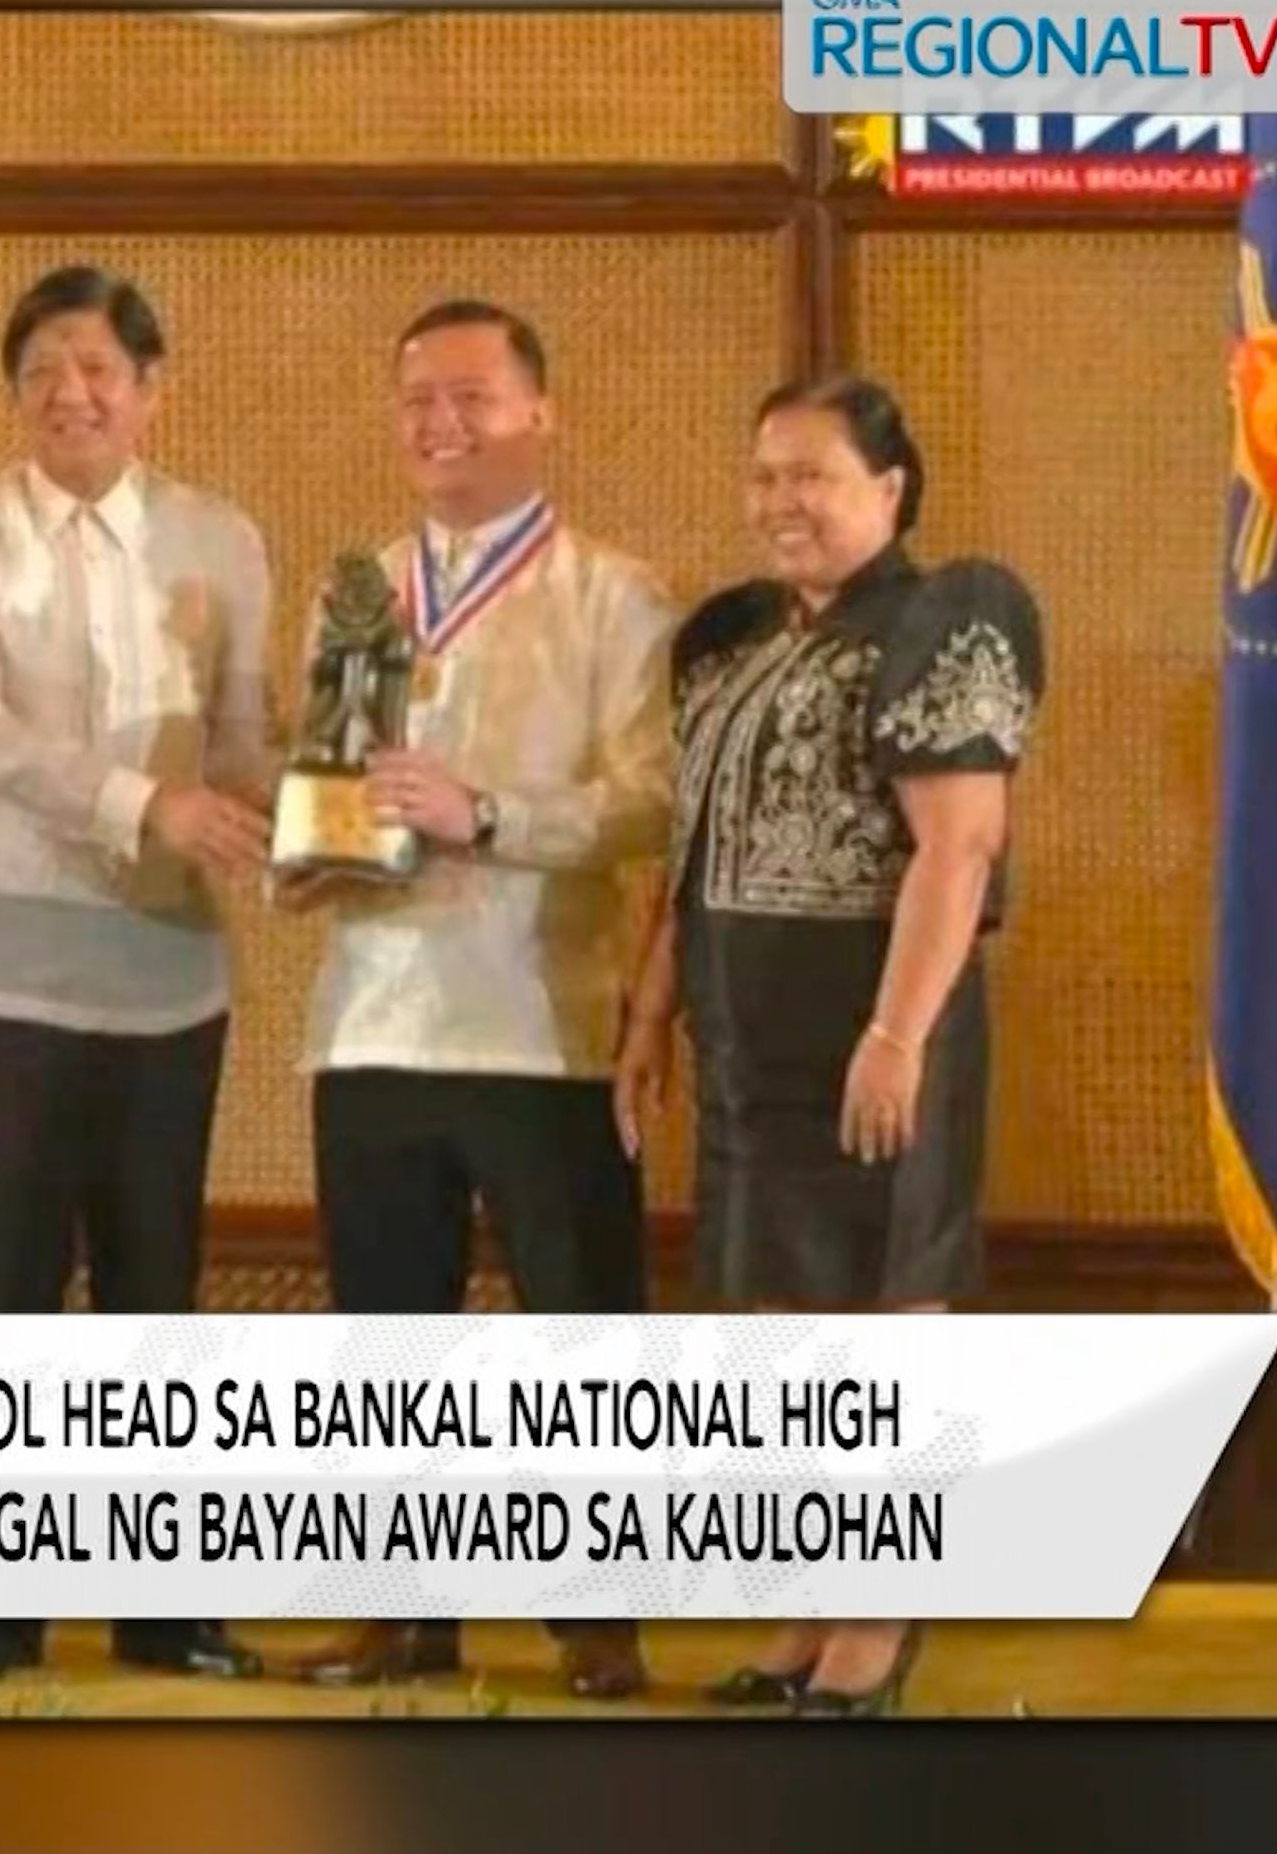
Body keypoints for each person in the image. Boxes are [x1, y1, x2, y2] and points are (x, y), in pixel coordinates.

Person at [616, 374, 1043, 1717]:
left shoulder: (943, 617)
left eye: (812, 475)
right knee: (779, 1338)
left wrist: (897, 1033)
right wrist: (648, 1015)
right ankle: (805, 1611)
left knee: (881, 1331)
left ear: (889, 490)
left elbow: (958, 847)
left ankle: (878, 1621)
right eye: (763, 475)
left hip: (871, 1020)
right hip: (753, 1036)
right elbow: (688, 857)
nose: (780, 501)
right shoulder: (735, 640)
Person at [277, 299, 674, 1701]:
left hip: (543, 1021)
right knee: (388, 1333)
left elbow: (650, 802)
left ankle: (598, 1617)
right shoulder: (360, 589)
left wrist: (483, 810)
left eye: (471, 397)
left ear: (538, 410)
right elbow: (322, 769)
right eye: (416, 403)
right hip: (371, 1015)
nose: (440, 424)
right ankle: (404, 1610)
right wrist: (310, 853)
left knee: (580, 1331)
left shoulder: (612, 594)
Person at [0, 266, 274, 1686]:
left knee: (154, 1294)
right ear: (16, 393)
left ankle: (162, 1608)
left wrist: (327, 815)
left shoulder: (219, 538)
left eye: (100, 367)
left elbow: (243, 743)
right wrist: (143, 805)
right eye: (45, 368)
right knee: (9, 1291)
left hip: (167, 970)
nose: (73, 392)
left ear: (151, 389)